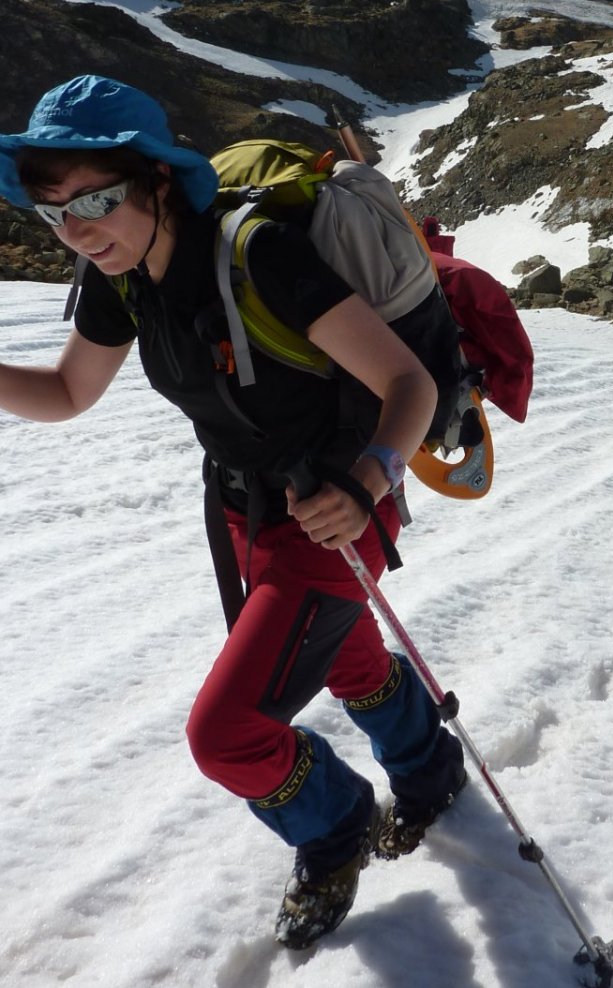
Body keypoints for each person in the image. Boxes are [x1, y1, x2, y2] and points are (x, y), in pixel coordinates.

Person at [0, 76, 466, 950]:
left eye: (96, 199)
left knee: (229, 734)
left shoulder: (259, 257)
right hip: (242, 504)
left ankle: (333, 827)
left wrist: (366, 483)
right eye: (53, 210)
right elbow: (67, 391)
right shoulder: (118, 273)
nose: (77, 228)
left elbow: (410, 382)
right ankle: (429, 767)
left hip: (336, 506)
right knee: (344, 652)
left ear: (160, 182)